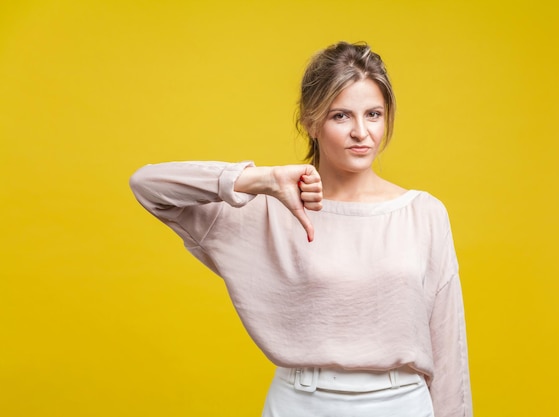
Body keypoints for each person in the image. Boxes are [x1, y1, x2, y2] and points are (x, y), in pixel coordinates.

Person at [130, 41, 472, 417]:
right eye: (341, 116)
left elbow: (447, 343)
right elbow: (148, 185)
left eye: (373, 114)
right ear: (310, 122)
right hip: (302, 404)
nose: (362, 132)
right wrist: (260, 179)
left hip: (403, 404)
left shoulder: (424, 213)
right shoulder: (267, 211)